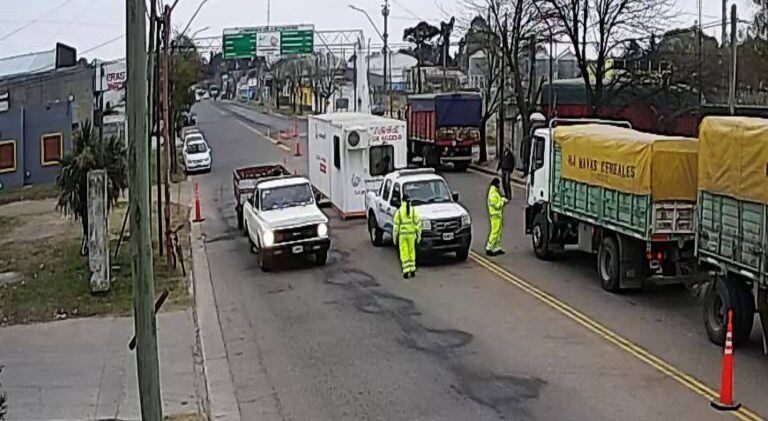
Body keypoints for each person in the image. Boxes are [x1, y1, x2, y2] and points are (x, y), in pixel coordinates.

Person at [393, 194, 422, 279]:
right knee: (411, 251)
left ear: (402, 201)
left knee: (404, 252)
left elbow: (395, 226)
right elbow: (418, 223)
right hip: (412, 235)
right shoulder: (413, 211)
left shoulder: (399, 211)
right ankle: (412, 269)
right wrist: (418, 234)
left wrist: (395, 237)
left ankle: (406, 270)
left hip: (403, 235)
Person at [486, 177, 508, 256]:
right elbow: (497, 205)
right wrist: (503, 201)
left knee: (498, 232)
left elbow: (497, 200)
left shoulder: (495, 191)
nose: (499, 185)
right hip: (495, 216)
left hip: (497, 215)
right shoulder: (493, 193)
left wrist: (501, 198)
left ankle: (496, 248)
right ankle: (489, 248)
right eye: (498, 183)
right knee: (495, 232)